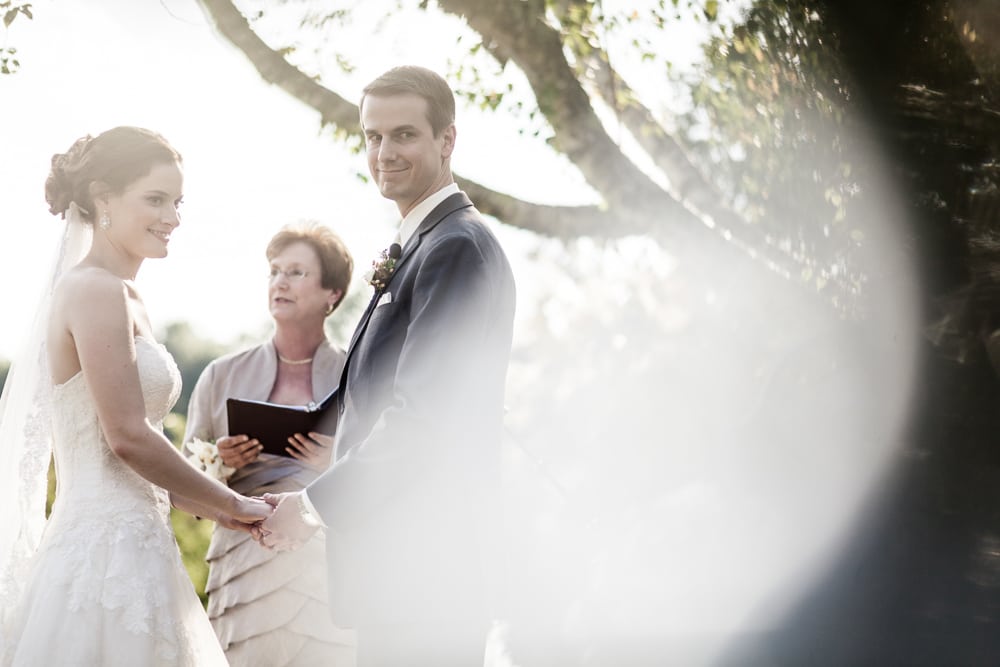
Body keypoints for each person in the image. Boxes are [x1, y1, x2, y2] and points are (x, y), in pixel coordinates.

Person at [257, 66, 517, 666]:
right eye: (373, 136)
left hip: (428, 571)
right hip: (402, 574)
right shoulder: (425, 242)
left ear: (447, 140)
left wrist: (314, 508)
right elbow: (374, 396)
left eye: (404, 135)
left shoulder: (455, 247)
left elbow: (422, 418)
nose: (384, 153)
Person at [0, 126, 273, 666]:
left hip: (143, 550)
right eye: (155, 199)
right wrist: (233, 502)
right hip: (102, 562)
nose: (173, 217)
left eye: (177, 202)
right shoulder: (93, 289)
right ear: (102, 197)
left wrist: (222, 509)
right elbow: (126, 436)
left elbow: (141, 464)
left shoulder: (127, 297)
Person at [183, 222, 356, 665]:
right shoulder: (221, 374)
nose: (280, 282)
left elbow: (381, 466)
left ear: (332, 293)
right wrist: (219, 462)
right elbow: (181, 487)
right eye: (275, 271)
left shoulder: (358, 375)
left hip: (327, 561)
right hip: (245, 564)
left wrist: (337, 458)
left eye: (296, 272)